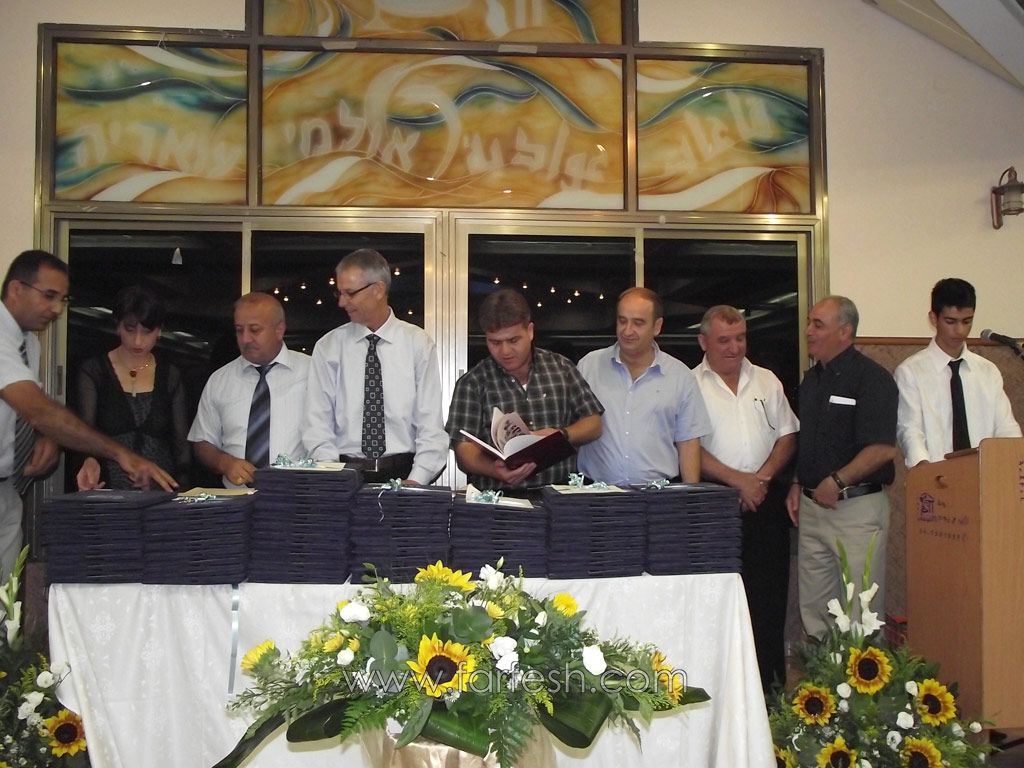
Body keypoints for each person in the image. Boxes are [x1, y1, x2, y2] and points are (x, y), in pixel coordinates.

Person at [0, 250, 175, 578]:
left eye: (62, 299)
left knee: (6, 597)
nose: (57, 309)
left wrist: (46, 435)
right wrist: (120, 453)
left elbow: (27, 411)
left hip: (7, 486)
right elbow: (38, 409)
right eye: (49, 296)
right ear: (16, 289)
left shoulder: (29, 344)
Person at [693, 305, 798, 691]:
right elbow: (687, 447)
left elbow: (788, 435)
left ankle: (770, 694)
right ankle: (719, 690)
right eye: (724, 340)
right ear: (703, 342)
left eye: (740, 338)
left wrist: (761, 479)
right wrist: (737, 481)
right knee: (716, 602)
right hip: (714, 506)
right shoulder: (690, 384)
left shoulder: (767, 380)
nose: (734, 348)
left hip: (765, 502)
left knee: (768, 602)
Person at [785, 295, 898, 639]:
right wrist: (796, 483)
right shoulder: (811, 381)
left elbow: (882, 449)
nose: (808, 331)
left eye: (818, 324)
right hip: (813, 510)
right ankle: (822, 675)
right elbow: (808, 441)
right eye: (809, 322)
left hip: (856, 510)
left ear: (845, 331)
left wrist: (837, 480)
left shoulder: (873, 379)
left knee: (860, 609)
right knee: (816, 610)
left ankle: (861, 674)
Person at [303, 249, 447, 485]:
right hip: (342, 474)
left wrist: (417, 480)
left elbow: (430, 425)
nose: (341, 302)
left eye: (350, 293)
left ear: (378, 289)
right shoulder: (328, 347)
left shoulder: (417, 343)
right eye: (339, 293)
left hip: (405, 473)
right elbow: (317, 423)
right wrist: (332, 477)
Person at [446, 288, 603, 494]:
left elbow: (594, 424)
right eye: (495, 342)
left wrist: (562, 435)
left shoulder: (561, 368)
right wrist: (494, 469)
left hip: (559, 494)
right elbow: (463, 451)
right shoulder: (472, 382)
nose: (505, 351)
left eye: (513, 340)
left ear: (530, 331)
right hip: (498, 498)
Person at [576, 287, 710, 484]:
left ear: (657, 326)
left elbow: (688, 442)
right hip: (596, 494)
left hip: (659, 494)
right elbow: (573, 424)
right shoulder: (589, 366)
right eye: (622, 321)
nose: (627, 330)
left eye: (638, 323)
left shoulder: (680, 376)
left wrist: (690, 496)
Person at [75, 285, 191, 490]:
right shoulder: (94, 371)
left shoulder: (170, 376)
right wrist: (88, 460)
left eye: (147, 332)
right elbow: (84, 433)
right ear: (117, 326)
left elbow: (181, 445)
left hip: (161, 490)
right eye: (130, 330)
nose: (138, 341)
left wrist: (184, 492)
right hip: (108, 489)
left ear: (159, 331)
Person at [189, 292, 310, 488]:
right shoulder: (219, 380)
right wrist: (224, 463)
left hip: (299, 495)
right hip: (236, 499)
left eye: (255, 330)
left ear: (279, 330)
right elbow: (202, 442)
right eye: (239, 330)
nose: (245, 338)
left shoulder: (312, 373)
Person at [895, 277, 1021, 467]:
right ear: (933, 318)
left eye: (967, 321)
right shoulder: (910, 372)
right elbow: (910, 430)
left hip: (986, 474)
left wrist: (1013, 463)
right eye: (951, 321)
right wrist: (924, 470)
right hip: (936, 474)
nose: (960, 330)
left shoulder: (987, 371)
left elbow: (1006, 428)